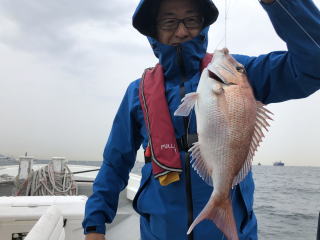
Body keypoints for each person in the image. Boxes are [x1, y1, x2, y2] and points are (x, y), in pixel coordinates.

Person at [83, 0, 320, 239]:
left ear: (203, 24)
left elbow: (315, 62)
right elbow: (115, 163)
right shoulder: (138, 93)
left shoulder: (240, 73)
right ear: (153, 30)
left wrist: (280, 3)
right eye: (169, 21)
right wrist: (95, 225)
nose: (182, 30)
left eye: (191, 20)